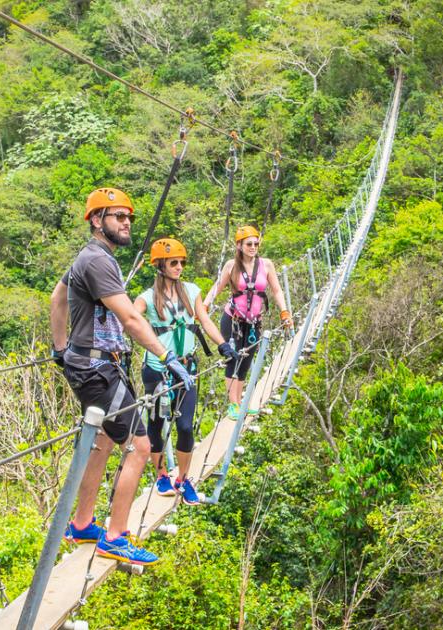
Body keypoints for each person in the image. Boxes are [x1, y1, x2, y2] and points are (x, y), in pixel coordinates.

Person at [49, 187, 195, 566]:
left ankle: (82, 524)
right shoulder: (97, 261)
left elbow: (57, 298)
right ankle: (115, 536)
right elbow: (131, 318)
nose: (126, 223)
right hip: (99, 369)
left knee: (102, 440)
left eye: (128, 217)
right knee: (141, 447)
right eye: (117, 216)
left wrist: (61, 349)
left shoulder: (91, 258)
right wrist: (168, 356)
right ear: (97, 221)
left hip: (91, 365)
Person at [134, 238, 237, 506]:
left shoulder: (191, 291)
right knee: (156, 424)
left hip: (187, 369)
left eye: (181, 262)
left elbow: (204, 319)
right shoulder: (146, 298)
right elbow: (131, 321)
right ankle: (161, 475)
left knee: (185, 426)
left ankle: (183, 478)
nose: (179, 267)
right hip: (157, 369)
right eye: (173, 263)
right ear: (160, 266)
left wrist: (223, 344)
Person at [203, 225, 293, 418]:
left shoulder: (266, 265)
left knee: (246, 361)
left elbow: (276, 290)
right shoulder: (231, 266)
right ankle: (233, 404)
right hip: (233, 319)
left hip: (254, 322)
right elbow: (216, 288)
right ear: (239, 245)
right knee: (232, 358)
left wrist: (284, 311)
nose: (253, 247)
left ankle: (240, 401)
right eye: (249, 244)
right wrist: (204, 306)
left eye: (256, 243)